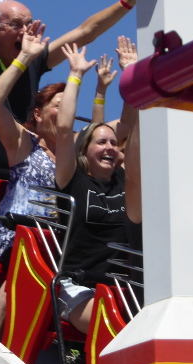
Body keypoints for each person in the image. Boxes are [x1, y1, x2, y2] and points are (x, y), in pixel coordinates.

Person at [0, 0, 136, 166]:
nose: (25, 32)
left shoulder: (33, 60)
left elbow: (85, 32)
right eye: (16, 24)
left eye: (29, 24)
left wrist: (127, 3)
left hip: (25, 173)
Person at [54, 42, 141, 333]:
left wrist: (134, 78)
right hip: (77, 284)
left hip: (121, 286)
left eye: (114, 143)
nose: (109, 148)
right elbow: (64, 129)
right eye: (101, 142)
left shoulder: (125, 181)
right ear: (84, 150)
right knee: (109, 325)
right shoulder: (73, 178)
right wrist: (76, 75)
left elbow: (134, 124)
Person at [0, 30, 60, 340]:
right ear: (38, 114)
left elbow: (117, 133)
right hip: (16, 233)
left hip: (56, 240)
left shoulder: (75, 153)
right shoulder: (24, 143)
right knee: (30, 250)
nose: (65, 111)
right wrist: (24, 58)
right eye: (59, 105)